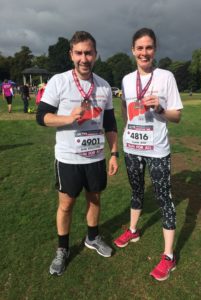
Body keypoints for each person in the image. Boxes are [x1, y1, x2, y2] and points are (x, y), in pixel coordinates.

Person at [36, 31, 119, 276]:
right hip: (68, 158)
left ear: (96, 54)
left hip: (95, 158)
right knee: (67, 204)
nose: (84, 58)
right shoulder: (59, 81)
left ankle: (92, 238)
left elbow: (111, 124)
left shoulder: (103, 85)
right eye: (79, 53)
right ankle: (62, 249)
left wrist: (114, 154)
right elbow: (41, 117)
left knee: (95, 198)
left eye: (89, 53)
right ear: (71, 54)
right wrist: (68, 117)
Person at [114, 28, 183, 281]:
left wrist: (160, 108)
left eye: (149, 47)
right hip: (132, 148)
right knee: (136, 191)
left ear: (155, 50)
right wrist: (129, 130)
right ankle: (133, 230)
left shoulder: (166, 77)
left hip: (157, 150)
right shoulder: (125, 79)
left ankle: (168, 256)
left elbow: (177, 116)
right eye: (140, 48)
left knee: (164, 198)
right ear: (133, 50)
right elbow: (124, 108)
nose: (144, 52)